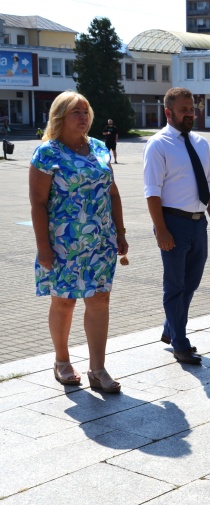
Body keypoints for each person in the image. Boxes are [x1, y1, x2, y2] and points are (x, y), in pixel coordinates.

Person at [28, 90, 127, 393]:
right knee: (65, 301)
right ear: (60, 116)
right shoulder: (47, 153)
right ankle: (61, 361)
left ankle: (97, 369)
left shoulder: (99, 148)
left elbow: (112, 192)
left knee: (100, 299)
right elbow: (38, 203)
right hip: (62, 244)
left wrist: (120, 232)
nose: (83, 118)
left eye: (86, 112)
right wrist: (44, 247)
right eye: (76, 112)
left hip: (100, 242)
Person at [143, 87, 210, 365]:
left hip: (198, 224)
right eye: (184, 110)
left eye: (192, 109)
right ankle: (180, 342)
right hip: (172, 224)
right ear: (168, 112)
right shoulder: (158, 145)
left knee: (191, 284)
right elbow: (152, 191)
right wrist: (161, 229)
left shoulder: (201, 143)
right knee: (175, 285)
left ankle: (170, 328)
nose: (190, 114)